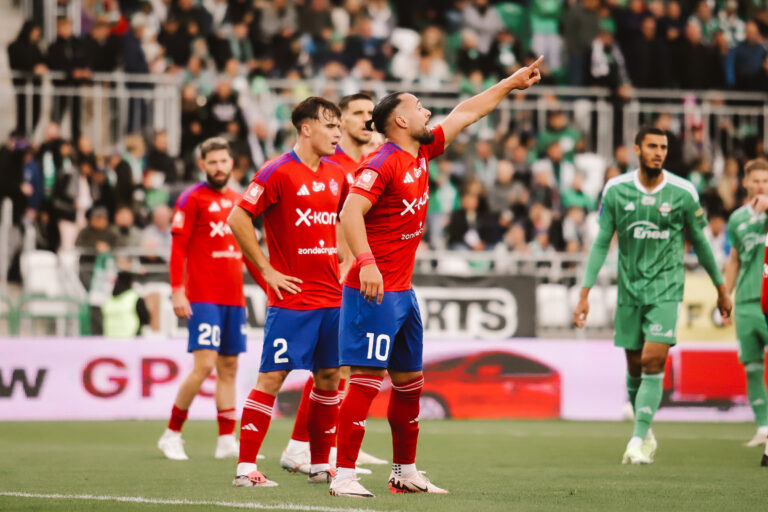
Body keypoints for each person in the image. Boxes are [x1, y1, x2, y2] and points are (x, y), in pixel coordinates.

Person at [330, 57, 543, 498]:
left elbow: (467, 111)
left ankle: (404, 472)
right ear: (401, 119)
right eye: (421, 106)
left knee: (410, 383)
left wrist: (511, 82)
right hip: (373, 290)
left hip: (402, 292)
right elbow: (351, 211)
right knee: (367, 381)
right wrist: (365, 262)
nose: (429, 112)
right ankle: (343, 474)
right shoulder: (381, 163)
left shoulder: (421, 150)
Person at [573, 127, 731, 465]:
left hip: (666, 289)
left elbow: (701, 243)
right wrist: (585, 292)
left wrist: (720, 288)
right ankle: (644, 429)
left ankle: (636, 440)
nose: (658, 152)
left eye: (663, 147)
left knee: (652, 361)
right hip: (629, 290)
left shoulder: (683, 192)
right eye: (652, 146)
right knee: (633, 366)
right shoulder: (615, 190)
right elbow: (602, 241)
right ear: (637, 150)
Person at [227, 97, 350, 487]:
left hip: (333, 297)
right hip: (293, 299)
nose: (337, 133)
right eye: (330, 125)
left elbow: (345, 220)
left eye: (339, 126)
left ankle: (318, 464)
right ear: (306, 128)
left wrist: (348, 261)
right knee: (273, 377)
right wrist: (266, 269)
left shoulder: (337, 174)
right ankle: (246, 468)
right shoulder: (277, 171)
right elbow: (238, 217)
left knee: (329, 375)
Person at [280, 92, 387, 475]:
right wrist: (346, 262)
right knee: (334, 367)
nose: (366, 120)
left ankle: (338, 444)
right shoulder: (332, 162)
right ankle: (300, 445)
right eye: (357, 113)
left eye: (370, 113)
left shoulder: (369, 161)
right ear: (338, 123)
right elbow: (338, 220)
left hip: (366, 270)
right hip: (338, 274)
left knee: (354, 366)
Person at [157, 137, 266, 461]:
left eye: (224, 161)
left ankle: (225, 440)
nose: (219, 167)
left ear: (232, 163)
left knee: (229, 367)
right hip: (203, 297)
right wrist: (177, 289)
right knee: (204, 366)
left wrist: (267, 285)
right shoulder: (191, 199)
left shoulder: (239, 200)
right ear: (202, 165)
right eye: (212, 162)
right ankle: (172, 433)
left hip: (233, 298)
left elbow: (250, 253)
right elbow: (178, 249)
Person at [725, 158, 768, 448]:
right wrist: (725, 296)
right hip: (745, 303)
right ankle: (764, 428)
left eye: (766, 181)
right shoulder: (737, 219)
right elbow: (734, 260)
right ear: (746, 183)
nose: (761, 186)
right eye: (756, 181)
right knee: (752, 367)